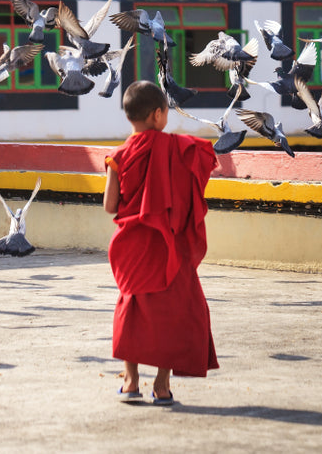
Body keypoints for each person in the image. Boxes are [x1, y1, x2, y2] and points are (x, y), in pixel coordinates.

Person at [103, 80, 219, 405]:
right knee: (175, 311)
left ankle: (130, 381)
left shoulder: (118, 156)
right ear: (157, 115)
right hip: (170, 246)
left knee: (133, 308)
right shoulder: (179, 148)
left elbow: (111, 207)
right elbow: (203, 164)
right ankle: (163, 386)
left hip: (134, 247)